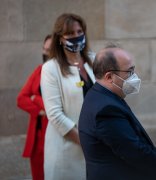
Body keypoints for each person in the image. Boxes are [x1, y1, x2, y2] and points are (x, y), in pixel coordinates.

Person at [78, 44, 156, 180]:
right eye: (129, 72)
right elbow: (132, 149)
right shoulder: (105, 109)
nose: (134, 76)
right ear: (109, 76)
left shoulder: (102, 95)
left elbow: (136, 139)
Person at [41, 13, 95, 180]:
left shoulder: (94, 59)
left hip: (97, 150)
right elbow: (55, 115)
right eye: (70, 33)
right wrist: (86, 142)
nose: (76, 37)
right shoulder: (51, 68)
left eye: (80, 31)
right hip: (66, 151)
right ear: (60, 38)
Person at [17, 34, 52, 180]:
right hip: (38, 136)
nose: (45, 53)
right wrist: (40, 111)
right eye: (44, 49)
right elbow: (21, 99)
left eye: (49, 49)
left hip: (55, 134)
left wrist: (36, 98)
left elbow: (56, 106)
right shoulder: (39, 70)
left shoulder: (66, 74)